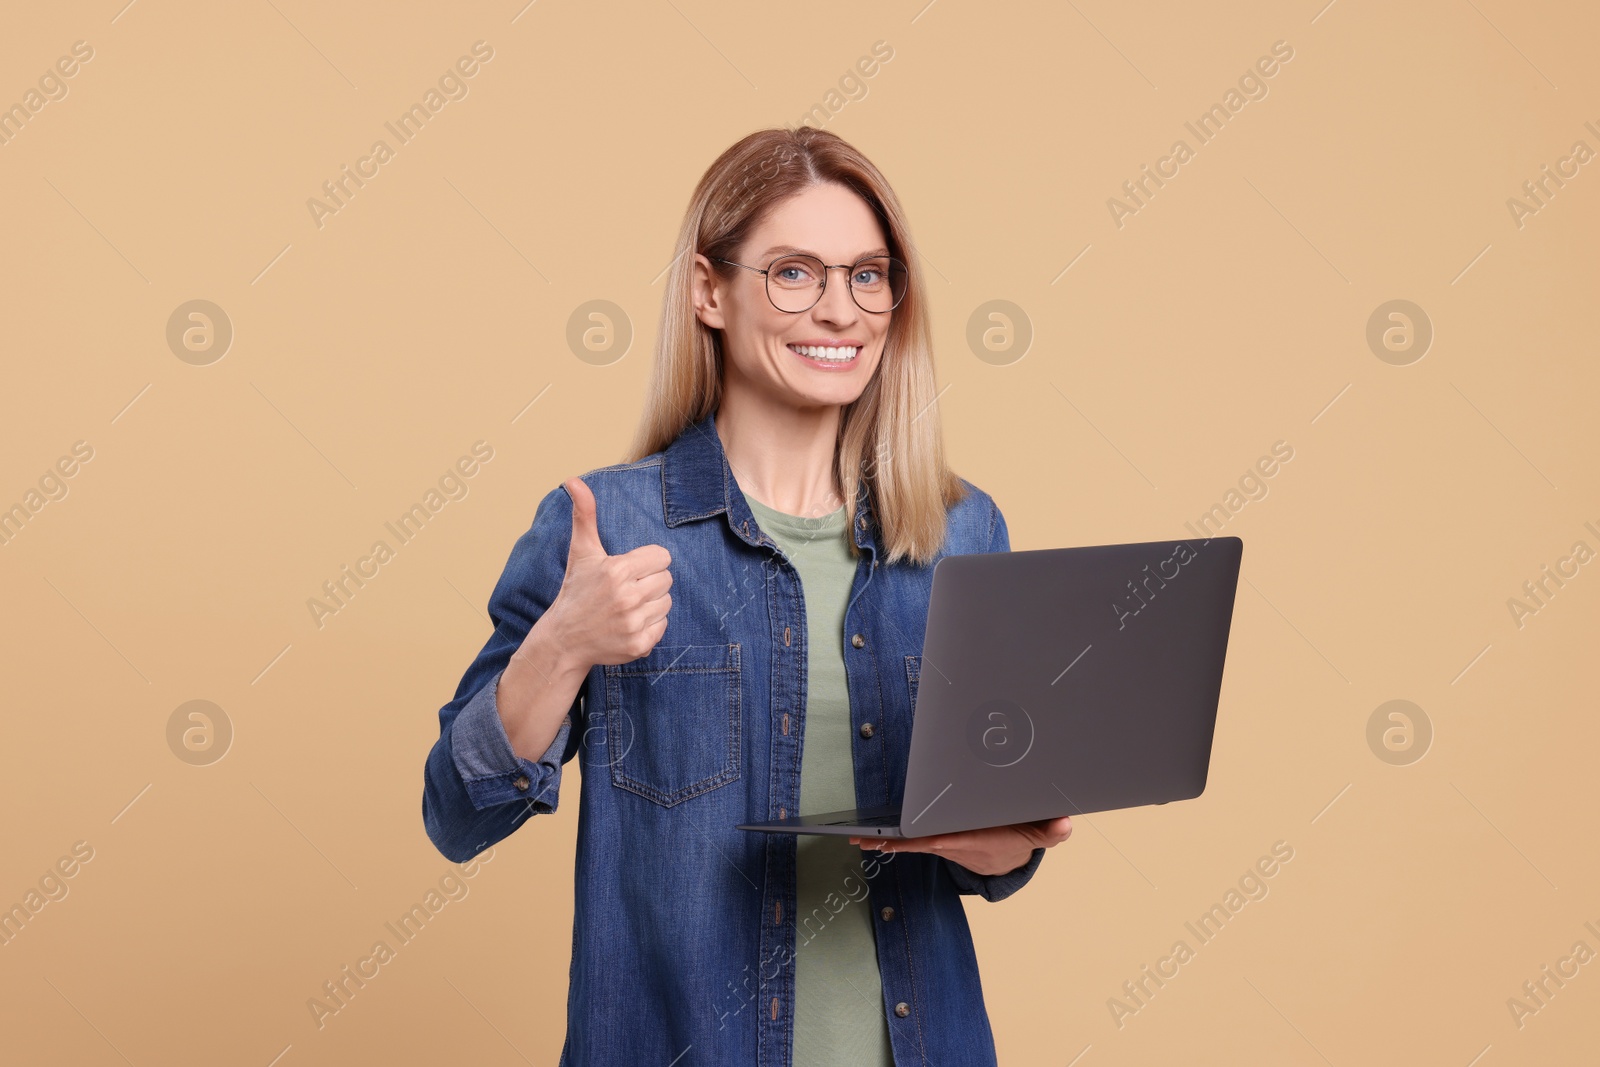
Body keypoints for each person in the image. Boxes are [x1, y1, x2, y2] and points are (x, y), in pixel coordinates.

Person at [421, 125, 1073, 1067]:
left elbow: (1000, 861)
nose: (840, 310)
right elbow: (457, 811)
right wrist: (561, 645)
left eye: (867, 275)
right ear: (708, 290)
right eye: (795, 273)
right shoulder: (608, 525)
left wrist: (1007, 844)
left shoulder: (961, 531)